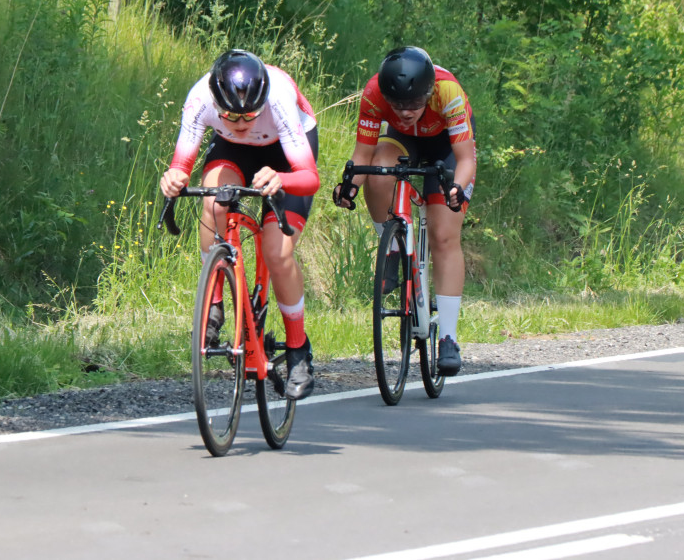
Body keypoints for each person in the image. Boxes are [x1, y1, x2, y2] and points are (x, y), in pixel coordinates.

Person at [160, 49, 321, 399]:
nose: (242, 121)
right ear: (216, 103)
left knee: (277, 252)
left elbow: (309, 178)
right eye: (230, 115)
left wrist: (282, 179)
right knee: (213, 200)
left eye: (250, 114)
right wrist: (172, 178)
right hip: (233, 152)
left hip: (285, 153)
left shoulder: (277, 99)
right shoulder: (200, 98)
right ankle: (214, 305)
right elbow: (180, 166)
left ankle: (298, 350)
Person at [332, 46, 476, 376]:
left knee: (443, 235)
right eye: (397, 105)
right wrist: (349, 185)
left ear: (428, 92)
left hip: (448, 148)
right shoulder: (373, 94)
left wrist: (455, 188)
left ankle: (449, 338)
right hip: (402, 143)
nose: (405, 111)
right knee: (379, 169)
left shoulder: (447, 91)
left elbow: (465, 159)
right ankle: (394, 247)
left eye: (413, 104)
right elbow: (363, 153)